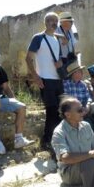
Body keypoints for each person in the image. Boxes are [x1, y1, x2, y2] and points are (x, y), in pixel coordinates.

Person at [0, 49, 34, 150]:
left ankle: (19, 139)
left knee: (21, 107)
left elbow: (6, 88)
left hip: (0, 99)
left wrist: (14, 100)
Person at [26, 12, 64, 149]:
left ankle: (58, 139)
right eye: (50, 20)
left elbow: (58, 58)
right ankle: (46, 140)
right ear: (45, 23)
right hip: (45, 79)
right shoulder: (38, 38)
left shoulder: (57, 39)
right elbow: (28, 58)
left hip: (58, 79)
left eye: (56, 20)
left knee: (61, 110)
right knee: (51, 110)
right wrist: (36, 76)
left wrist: (60, 62)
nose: (54, 23)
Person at [63, 62, 94, 139]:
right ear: (74, 74)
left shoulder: (83, 84)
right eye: (79, 71)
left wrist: (88, 106)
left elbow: (88, 97)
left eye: (81, 71)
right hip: (73, 108)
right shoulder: (66, 84)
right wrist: (78, 108)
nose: (82, 73)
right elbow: (67, 100)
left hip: (84, 107)